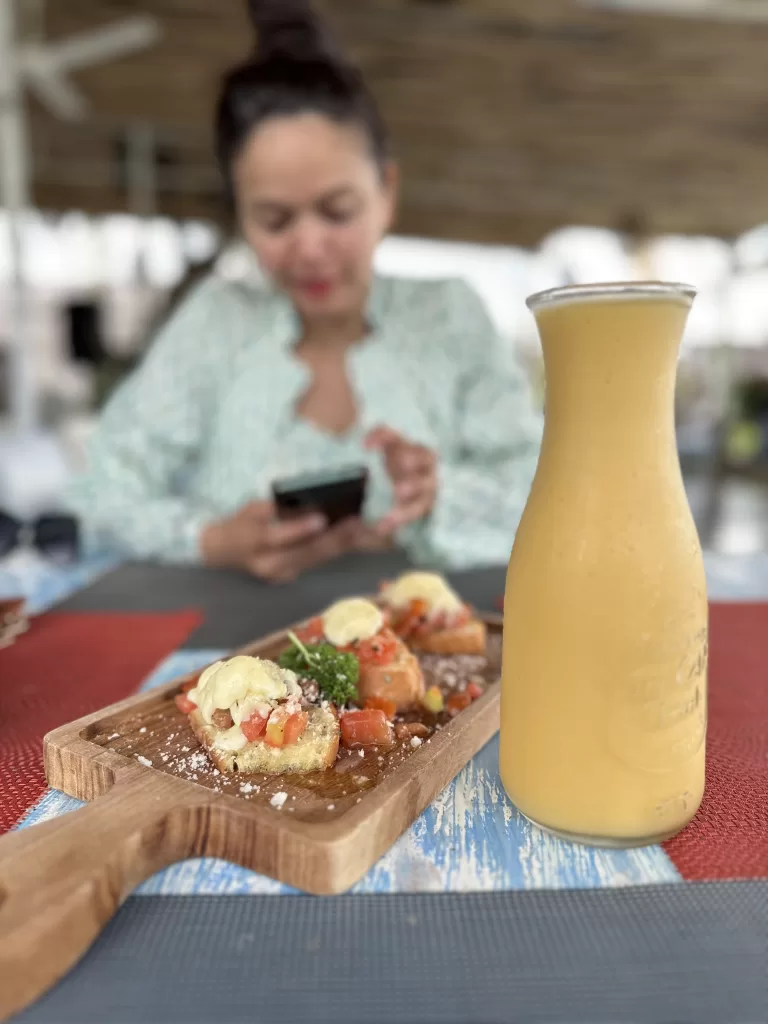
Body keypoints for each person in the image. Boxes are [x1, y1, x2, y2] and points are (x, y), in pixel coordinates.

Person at [65, 0, 542, 581]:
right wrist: (215, 540)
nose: (310, 248)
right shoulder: (216, 324)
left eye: (337, 210)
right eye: (275, 220)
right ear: (240, 214)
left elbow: (545, 489)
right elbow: (99, 494)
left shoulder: (449, 315)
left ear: (386, 192)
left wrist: (439, 491)